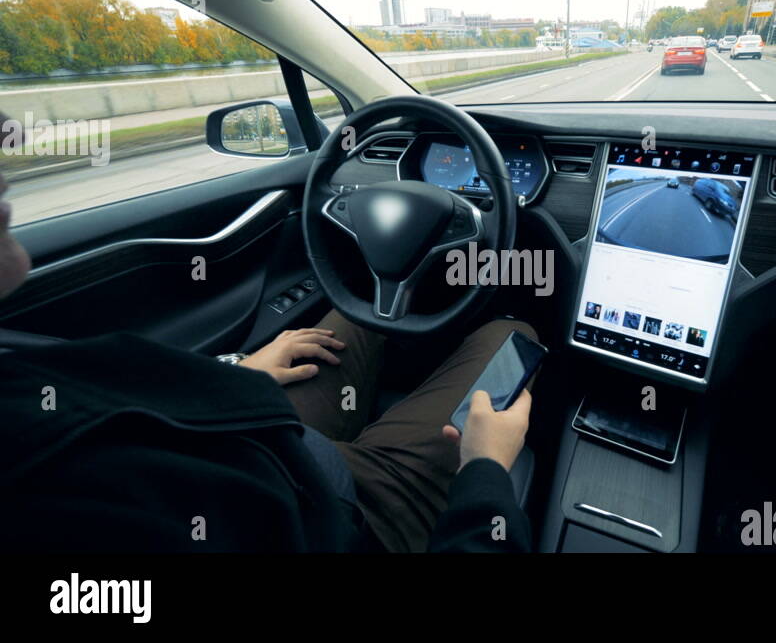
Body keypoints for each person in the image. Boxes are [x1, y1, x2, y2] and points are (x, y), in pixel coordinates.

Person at [0, 111, 537, 553]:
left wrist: (236, 369)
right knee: (515, 331)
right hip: (344, 516)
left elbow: (124, 409)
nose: (11, 130)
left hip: (260, 445)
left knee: (359, 312)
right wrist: (485, 470)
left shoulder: (17, 370)